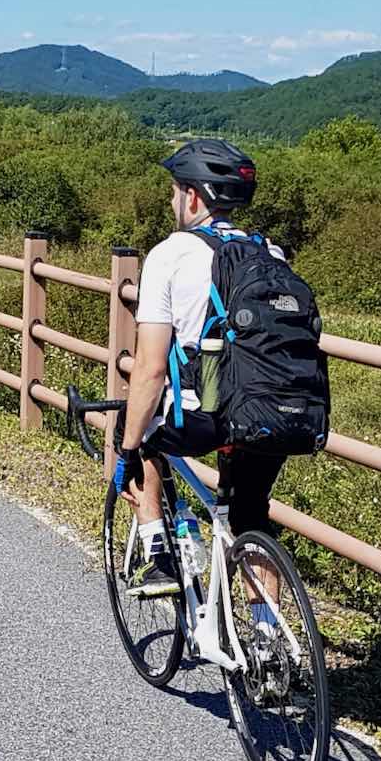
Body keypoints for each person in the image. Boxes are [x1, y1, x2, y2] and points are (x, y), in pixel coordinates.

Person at [114, 138, 290, 615]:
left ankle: (157, 557)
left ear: (193, 196)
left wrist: (126, 450)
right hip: (278, 410)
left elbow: (150, 369)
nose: (173, 200)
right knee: (250, 513)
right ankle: (267, 637)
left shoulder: (169, 256)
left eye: (175, 190)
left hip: (206, 415)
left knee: (143, 435)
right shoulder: (270, 251)